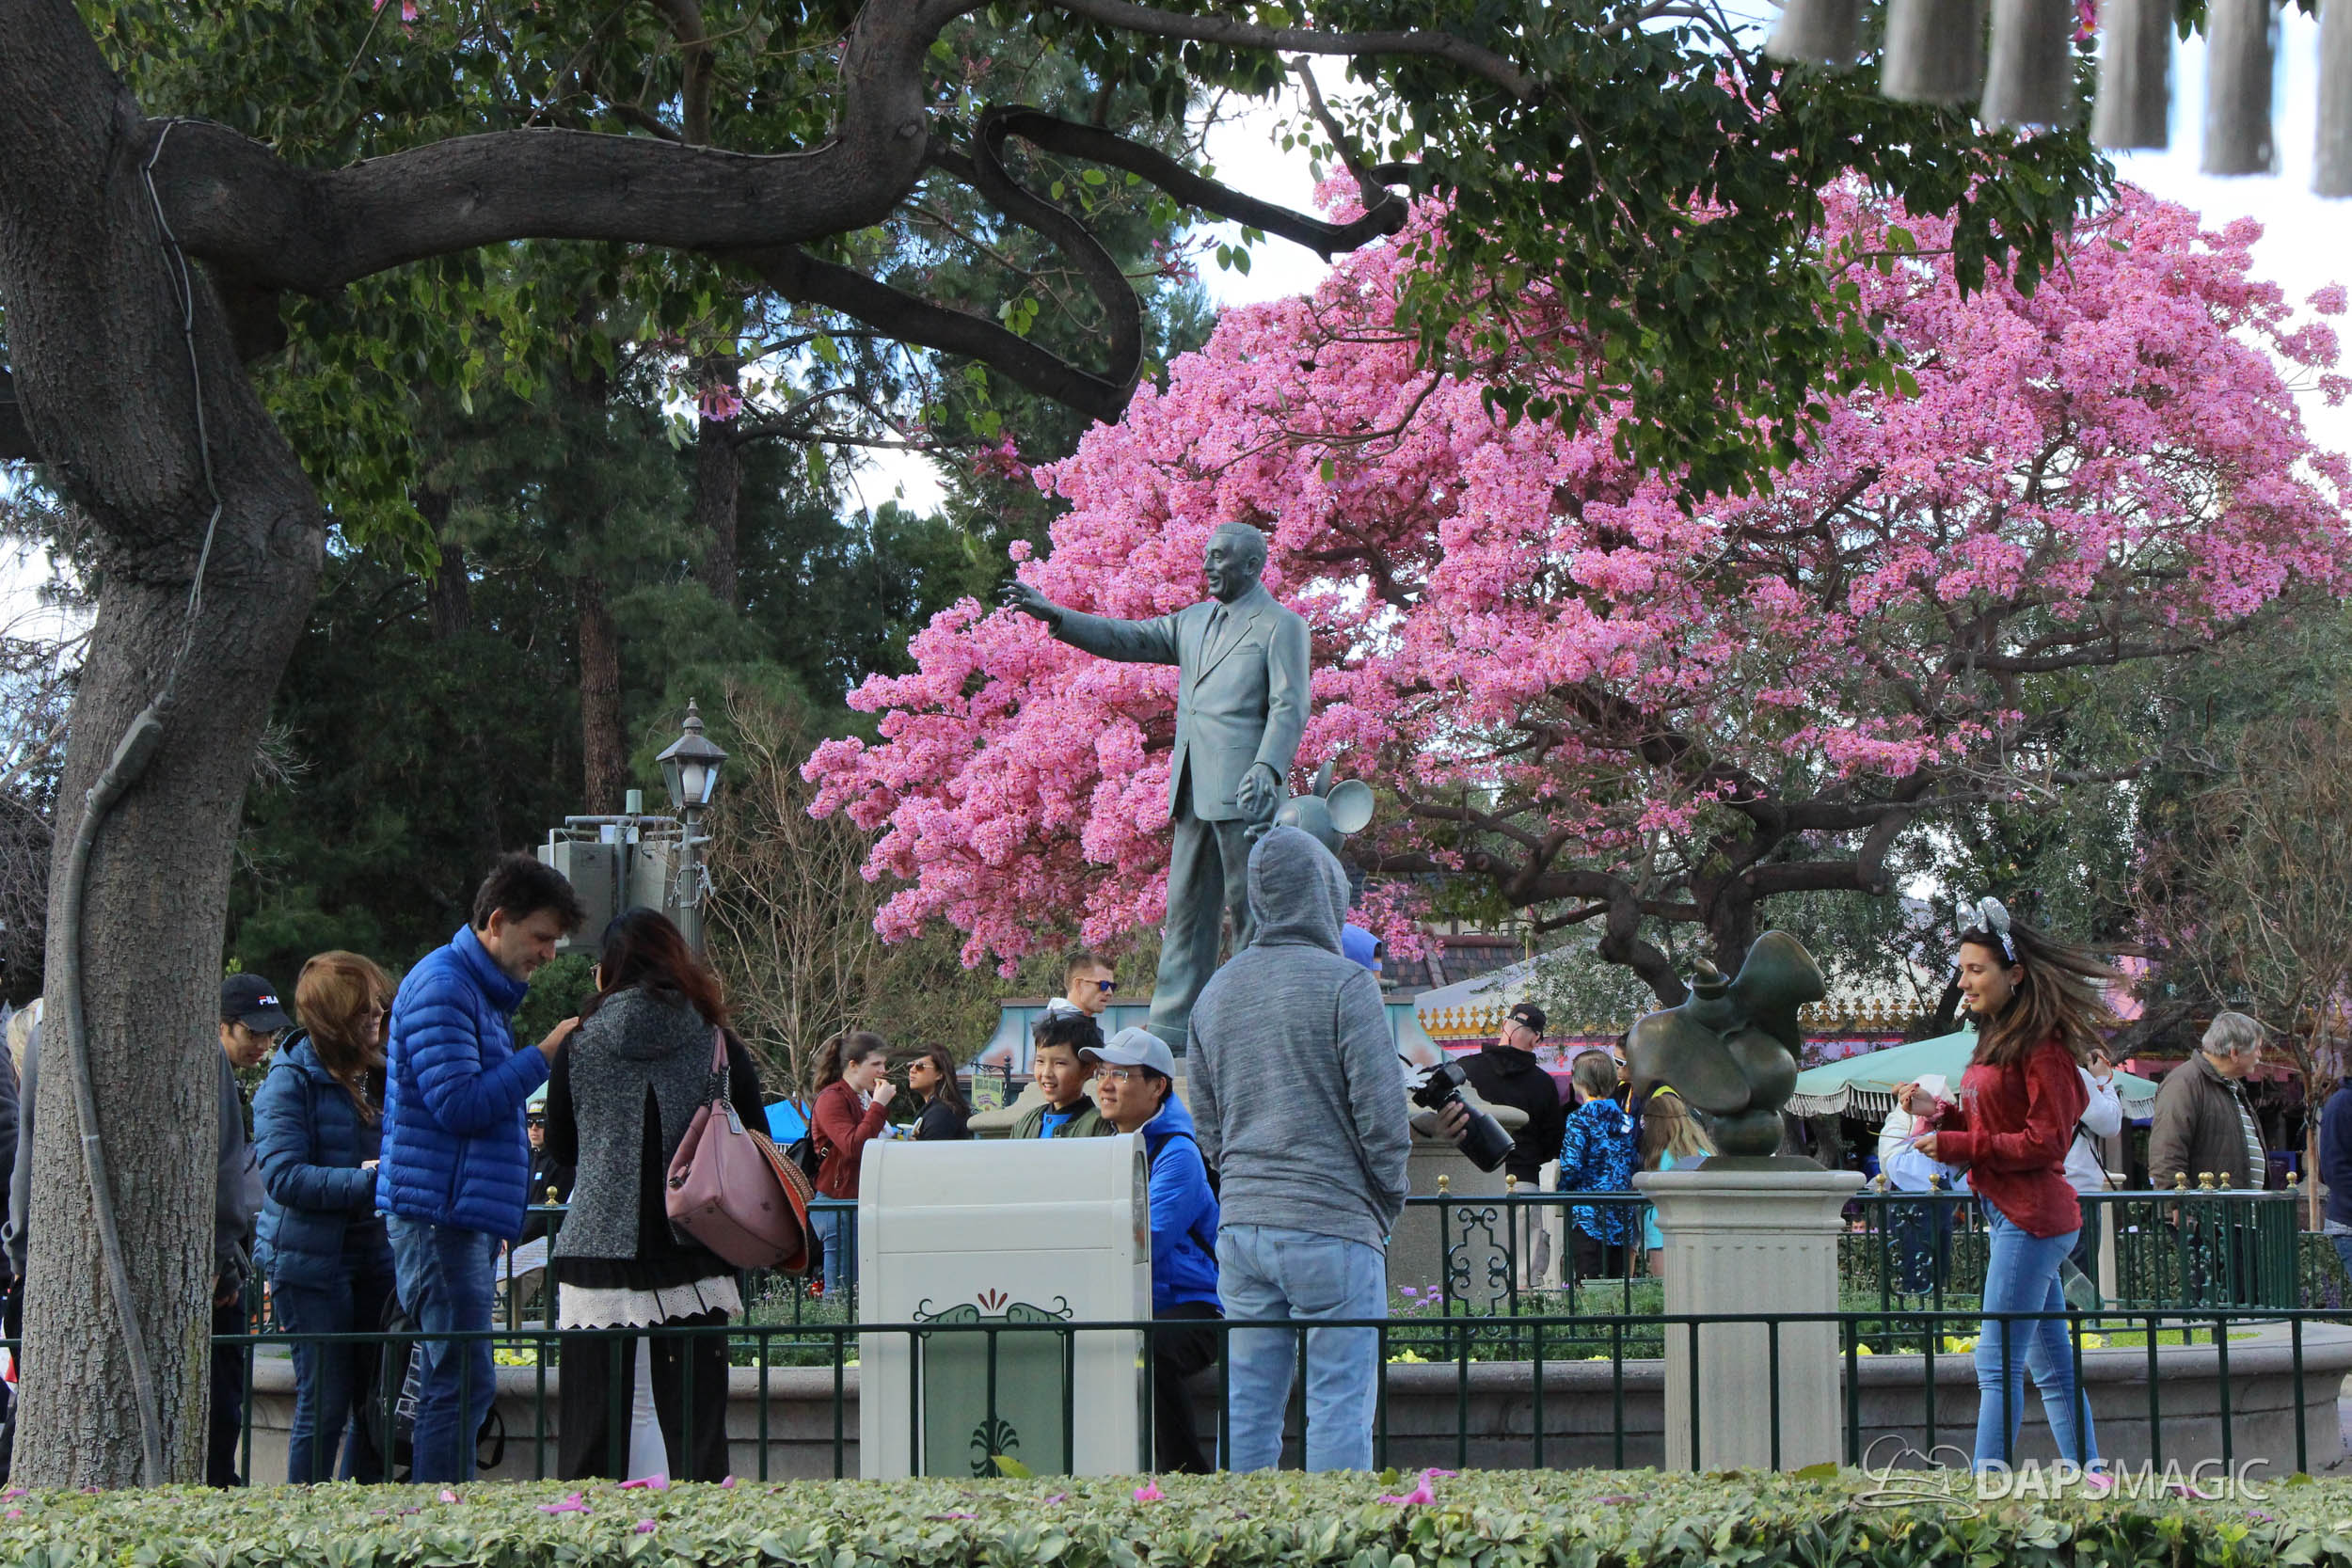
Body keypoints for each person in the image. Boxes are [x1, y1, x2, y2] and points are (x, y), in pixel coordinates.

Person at [1009, 523, 1311, 1050]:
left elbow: (1290, 705)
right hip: (1193, 787)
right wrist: (1058, 616)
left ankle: (1252, 1022)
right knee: (1186, 908)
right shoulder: (1192, 621)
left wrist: (1267, 767)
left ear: (1252, 566)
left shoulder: (1280, 626)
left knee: (1252, 911)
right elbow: (1127, 638)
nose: (1208, 566)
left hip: (1247, 792)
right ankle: (1172, 1027)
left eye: (1220, 557)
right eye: (1207, 556)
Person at [1187, 826, 1408, 1474]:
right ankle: (1333, 1527)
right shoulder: (1346, 985)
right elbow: (1383, 1119)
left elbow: (1208, 1125)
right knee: (1339, 1401)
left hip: (1244, 1225)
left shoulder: (1214, 993)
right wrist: (1385, 1202)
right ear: (1325, 892)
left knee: (1248, 1403)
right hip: (1334, 1220)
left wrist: (1244, 1182)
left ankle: (1242, 1525)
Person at [379, 853, 585, 1484]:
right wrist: (541, 1057)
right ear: (497, 921)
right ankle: (442, 1516)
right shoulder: (444, 987)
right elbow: (459, 1104)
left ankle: (443, 1507)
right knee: (460, 1380)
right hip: (439, 1217)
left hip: (454, 1213)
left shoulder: (473, 990)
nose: (548, 953)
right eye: (541, 937)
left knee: (461, 1379)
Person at [543, 909, 763, 1483]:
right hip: (695, 1245)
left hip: (597, 1246)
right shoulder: (716, 1042)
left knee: (590, 1442)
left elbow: (561, 1147)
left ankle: (587, 1532)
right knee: (699, 1444)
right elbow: (755, 1138)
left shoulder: (579, 1044)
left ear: (607, 971)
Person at [1905, 896, 2109, 1475]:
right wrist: (1939, 1113)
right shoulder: (1996, 1040)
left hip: (2031, 1218)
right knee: (2052, 1368)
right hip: (2013, 1215)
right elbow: (1990, 1123)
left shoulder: (2045, 1051)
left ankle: (1987, 1483)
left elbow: (2044, 1144)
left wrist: (1958, 1145)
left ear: (2013, 974)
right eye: (1962, 969)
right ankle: (2092, 1475)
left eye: (1976, 970)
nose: (1963, 982)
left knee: (1995, 1363)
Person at [254, 951, 397, 1483]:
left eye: (378, 1005)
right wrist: (370, 1181)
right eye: (363, 1009)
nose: (377, 1016)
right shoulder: (289, 1080)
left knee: (375, 1401)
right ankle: (307, 1517)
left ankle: (365, 1514)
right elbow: (284, 1177)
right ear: (334, 1019)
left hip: (376, 1252)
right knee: (325, 1402)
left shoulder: (385, 1074)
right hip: (311, 1264)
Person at [1087, 1027, 1221, 1473]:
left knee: (1151, 1344)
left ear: (1157, 1086)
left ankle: (1187, 1474)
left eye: (1121, 1075)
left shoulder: (1178, 1153)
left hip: (1195, 1306)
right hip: (1132, 1304)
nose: (1105, 1085)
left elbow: (1145, 1241)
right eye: (1103, 1072)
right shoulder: (1108, 1143)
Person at [210, 972, 278, 1486]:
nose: (263, 1043)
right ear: (222, 1025)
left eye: (269, 1033)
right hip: (220, 1266)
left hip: (226, 1257)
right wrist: (222, 1262)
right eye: (252, 1031)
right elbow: (223, 1176)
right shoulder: (213, 1069)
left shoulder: (222, 1073)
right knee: (221, 1396)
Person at [809, 1031, 892, 1299]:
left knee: (857, 1291)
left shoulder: (861, 1098)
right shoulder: (832, 1098)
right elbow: (854, 1146)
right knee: (840, 1293)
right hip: (837, 1203)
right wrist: (879, 1106)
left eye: (884, 1064)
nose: (883, 1071)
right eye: (876, 1064)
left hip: (857, 1201)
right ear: (853, 1065)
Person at [2148, 1012, 2265, 1192]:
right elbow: (2166, 1154)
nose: (2260, 1055)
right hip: (2209, 1208)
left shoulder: (2230, 1087)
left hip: (2238, 1206)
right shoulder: (2184, 1083)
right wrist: (2178, 1201)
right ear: (2234, 1053)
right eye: (2256, 1048)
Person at [1457, 1002, 1568, 1188]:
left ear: (1504, 1025)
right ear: (1536, 1039)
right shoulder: (1543, 1083)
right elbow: (1553, 1140)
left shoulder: (1466, 1068)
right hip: (1523, 1177)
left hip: (1473, 1179)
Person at [1875, 1074, 1967, 1296]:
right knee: (1917, 1264)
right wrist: (1926, 1138)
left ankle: (1936, 1304)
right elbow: (1894, 1164)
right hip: (1913, 1202)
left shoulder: (1941, 1121)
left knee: (1939, 1263)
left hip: (1941, 1198)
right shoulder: (1899, 1123)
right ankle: (1916, 1307)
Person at [1557, 1050, 1638, 1283]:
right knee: (1617, 1287)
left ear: (1579, 1080)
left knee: (1588, 1286)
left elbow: (1571, 1166)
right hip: (1622, 1215)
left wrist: (1564, 1191)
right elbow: (1631, 1162)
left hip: (1588, 1215)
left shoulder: (1579, 1119)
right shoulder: (1626, 1119)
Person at [1636, 1088, 1712, 1277]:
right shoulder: (1703, 1153)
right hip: (1698, 1229)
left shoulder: (1665, 1158)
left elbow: (1651, 1192)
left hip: (1662, 1231)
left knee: (1666, 1287)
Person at [2063, 1048, 2124, 1278]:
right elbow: (2110, 1123)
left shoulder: (2018, 1069)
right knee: (2077, 1280)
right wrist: (2104, 1080)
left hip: (2036, 1190)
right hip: (2077, 1189)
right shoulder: (2073, 1075)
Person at [1011, 1011, 1114, 1139]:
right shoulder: (1026, 1124)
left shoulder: (1098, 1126)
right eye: (1040, 1061)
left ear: (1088, 1069)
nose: (1046, 1073)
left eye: (1059, 1063)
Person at [520, 1106, 575, 1246]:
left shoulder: (561, 1161)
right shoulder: (527, 1158)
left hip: (543, 1243)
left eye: (540, 1122)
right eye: (529, 1122)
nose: (534, 1128)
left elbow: (546, 1213)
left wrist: (516, 1236)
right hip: (519, 1240)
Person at [903, 1044, 971, 1141]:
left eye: (920, 1066)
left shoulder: (942, 1114)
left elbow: (931, 1149)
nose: (912, 1070)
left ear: (939, 1074)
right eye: (910, 1065)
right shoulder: (938, 1109)